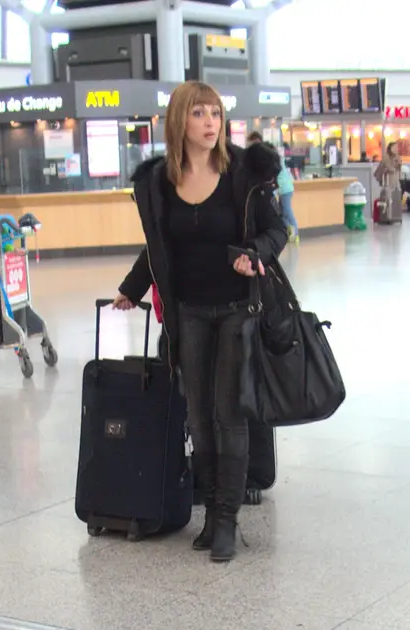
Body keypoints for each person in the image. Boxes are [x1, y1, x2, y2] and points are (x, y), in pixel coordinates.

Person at [113, 80, 287, 563]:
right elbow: (159, 247)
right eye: (199, 114)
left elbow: (277, 229)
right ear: (179, 122)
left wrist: (256, 255)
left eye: (215, 113)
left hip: (237, 310)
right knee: (197, 417)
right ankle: (210, 513)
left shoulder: (242, 174)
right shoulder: (159, 183)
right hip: (187, 312)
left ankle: (228, 519)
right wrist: (132, 287)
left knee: (227, 414)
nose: (211, 122)